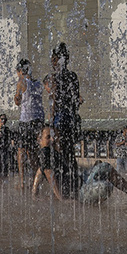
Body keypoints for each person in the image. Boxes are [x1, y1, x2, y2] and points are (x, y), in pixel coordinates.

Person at [44, 43, 82, 197]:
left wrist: (51, 121)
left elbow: (54, 100)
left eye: (53, 59)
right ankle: (74, 185)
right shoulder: (73, 76)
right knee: (70, 153)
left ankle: (63, 188)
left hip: (60, 119)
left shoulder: (54, 77)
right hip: (71, 118)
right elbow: (76, 100)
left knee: (59, 153)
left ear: (56, 60)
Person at [14, 58, 45, 189]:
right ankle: (35, 180)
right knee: (33, 152)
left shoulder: (21, 81)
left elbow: (17, 101)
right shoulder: (38, 83)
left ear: (21, 71)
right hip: (38, 121)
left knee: (21, 151)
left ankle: (22, 182)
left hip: (26, 120)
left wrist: (16, 96)